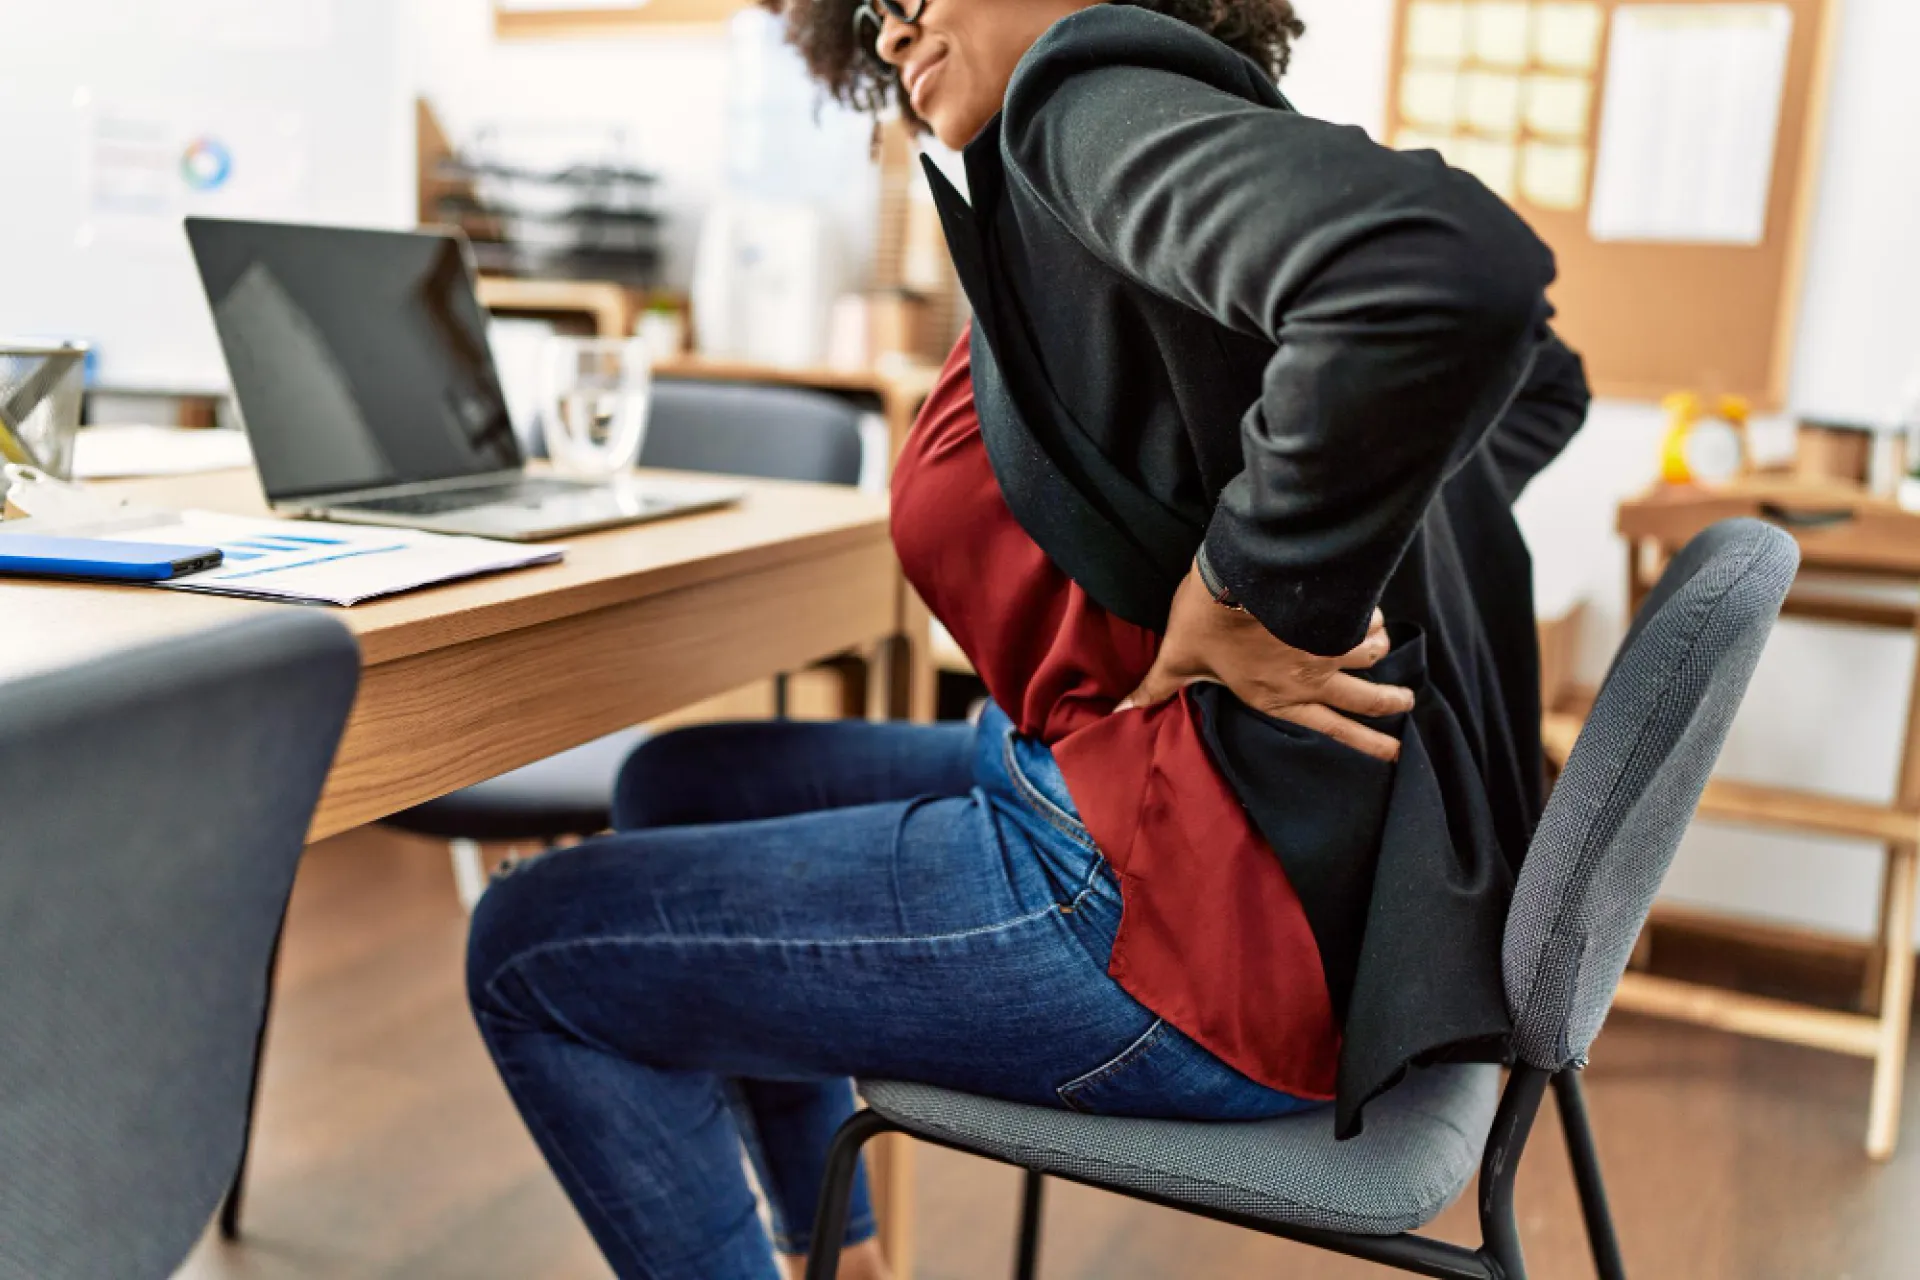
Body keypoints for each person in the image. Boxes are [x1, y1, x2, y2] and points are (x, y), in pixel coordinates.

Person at [465, 2, 1592, 1278]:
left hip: (1183, 928)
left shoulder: (1080, 104)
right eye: (869, 14)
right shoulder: (1061, 178)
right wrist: (1356, 535)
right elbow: (1541, 379)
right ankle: (848, 1259)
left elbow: (1447, 276)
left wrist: (1256, 580)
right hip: (1187, 830)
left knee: (530, 950)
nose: (891, 33)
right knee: (679, 784)